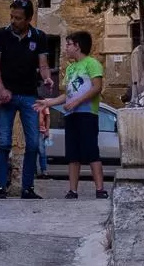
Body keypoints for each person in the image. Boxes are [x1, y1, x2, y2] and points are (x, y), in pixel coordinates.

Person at [0, 0, 53, 199]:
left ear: (28, 19)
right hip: (7, 95)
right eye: (12, 16)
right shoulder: (2, 34)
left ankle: (27, 188)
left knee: (33, 143)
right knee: (4, 142)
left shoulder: (39, 36)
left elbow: (43, 64)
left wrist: (47, 78)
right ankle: (0, 187)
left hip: (29, 96)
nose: (13, 21)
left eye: (18, 18)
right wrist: (1, 89)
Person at [35, 30, 107, 199]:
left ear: (77, 46)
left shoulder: (92, 63)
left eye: (68, 45)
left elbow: (97, 87)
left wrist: (77, 102)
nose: (65, 48)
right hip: (71, 115)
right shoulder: (70, 68)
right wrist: (49, 102)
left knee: (91, 151)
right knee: (72, 154)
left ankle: (100, 189)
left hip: (87, 114)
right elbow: (67, 95)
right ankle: (72, 190)